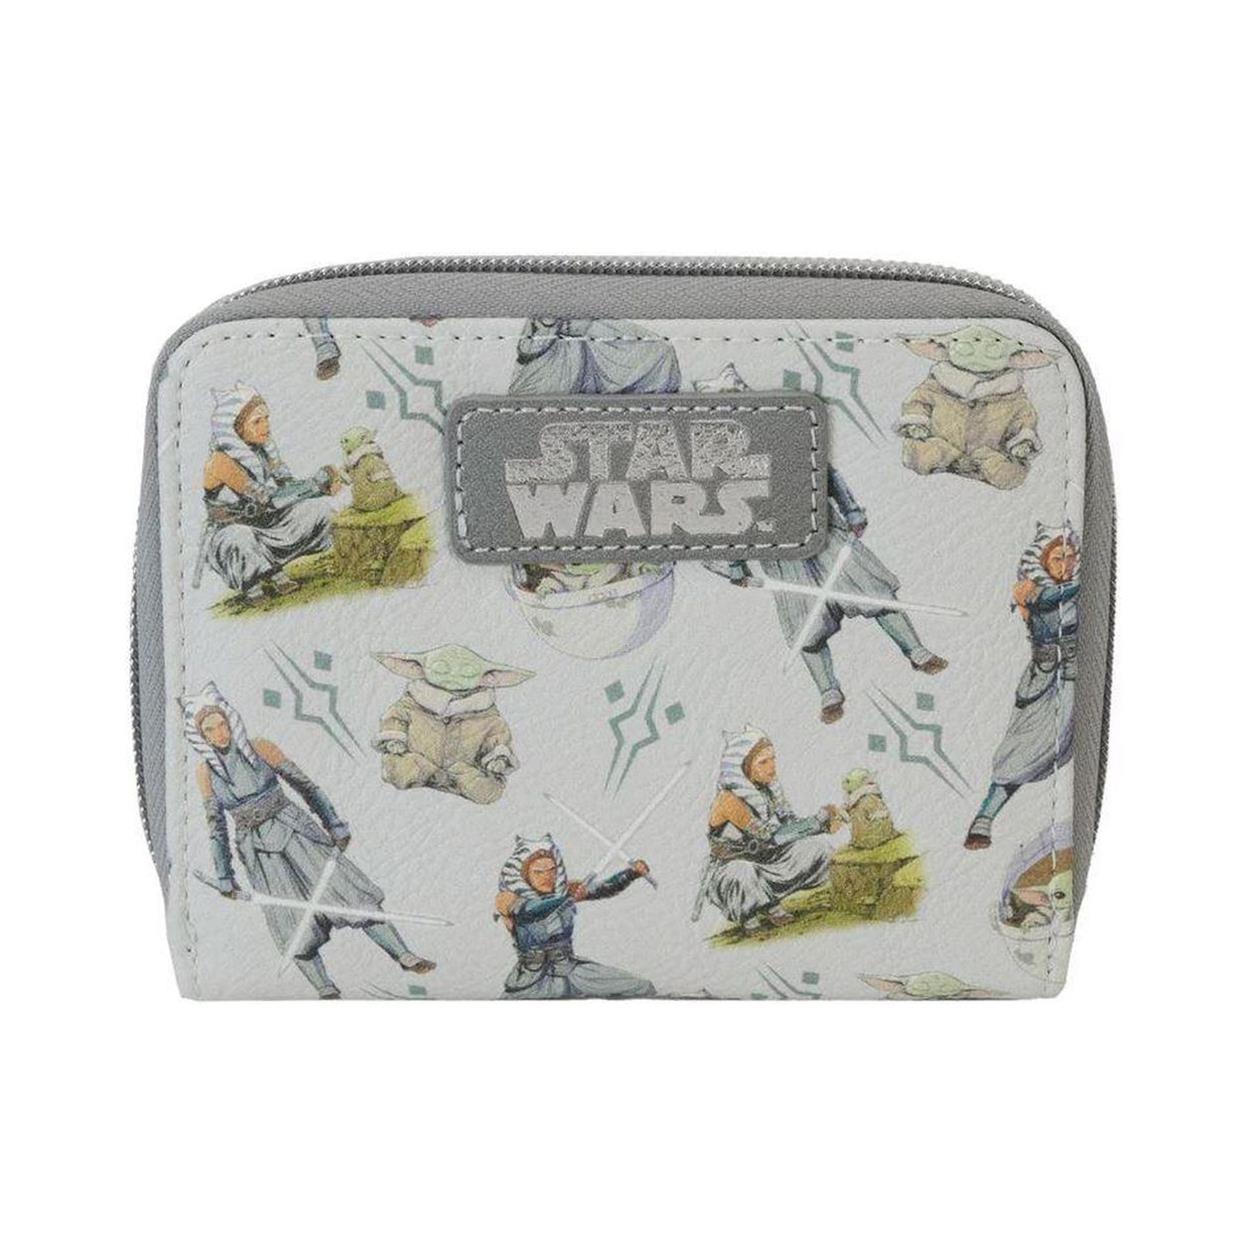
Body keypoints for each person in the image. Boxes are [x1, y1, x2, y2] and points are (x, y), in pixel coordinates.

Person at [182, 683, 435, 998]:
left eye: (222, 724)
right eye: (209, 730)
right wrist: (224, 875)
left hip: (298, 833)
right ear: (201, 737)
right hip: (259, 854)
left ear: (230, 722)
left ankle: (404, 955)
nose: (219, 733)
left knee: (349, 893)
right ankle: (324, 988)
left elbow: (306, 786)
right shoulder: (205, 773)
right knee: (292, 923)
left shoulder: (260, 747)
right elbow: (216, 827)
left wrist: (334, 824)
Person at [713, 465, 947, 723]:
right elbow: (731, 512)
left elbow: (828, 474)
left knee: (872, 591)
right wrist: (736, 564)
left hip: (823, 531)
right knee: (806, 626)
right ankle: (828, 690)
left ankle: (916, 650)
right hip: (780, 553)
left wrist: (852, 512)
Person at [965, 527, 1080, 849]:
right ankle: (984, 817)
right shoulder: (1033, 589)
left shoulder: (1075, 587)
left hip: (1078, 675)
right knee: (1021, 751)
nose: (1066, 564)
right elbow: (1051, 599)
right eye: (1058, 558)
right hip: (1045, 681)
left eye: (1071, 558)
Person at [694, 727, 849, 932]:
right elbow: (770, 836)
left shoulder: (768, 791)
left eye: (773, 759)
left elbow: (790, 825)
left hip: (768, 860)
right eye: (763, 762)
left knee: (818, 848)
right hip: (732, 867)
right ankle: (751, 913)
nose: (772, 767)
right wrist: (818, 821)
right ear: (743, 767)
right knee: (743, 871)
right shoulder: (728, 800)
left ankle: (770, 902)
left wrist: (824, 825)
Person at [198, 384, 341, 602]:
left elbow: (288, 487)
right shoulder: (220, 461)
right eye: (257, 421)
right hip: (232, 530)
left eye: (266, 418)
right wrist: (316, 485)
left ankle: (275, 569)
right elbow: (267, 498)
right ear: (236, 428)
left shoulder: (263, 450)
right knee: (241, 537)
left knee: (319, 510)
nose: (266, 426)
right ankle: (254, 583)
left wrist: (321, 488)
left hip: (268, 523)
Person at [494, 835, 655, 998]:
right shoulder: (507, 898)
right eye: (538, 872)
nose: (547, 877)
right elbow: (532, 911)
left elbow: (604, 888)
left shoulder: (565, 890)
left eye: (552, 870)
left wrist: (632, 873)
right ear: (525, 875)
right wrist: (567, 896)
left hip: (571, 970)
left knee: (642, 987)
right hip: (532, 979)